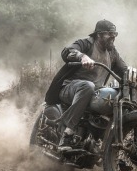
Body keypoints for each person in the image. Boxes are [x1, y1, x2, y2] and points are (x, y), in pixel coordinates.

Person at [45, 19, 127, 151]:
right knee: (88, 86)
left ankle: (107, 146)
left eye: (114, 34)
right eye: (109, 33)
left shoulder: (112, 53)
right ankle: (67, 133)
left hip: (94, 92)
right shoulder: (86, 44)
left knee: (116, 96)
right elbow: (67, 51)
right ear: (98, 35)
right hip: (70, 88)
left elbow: (124, 70)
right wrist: (82, 57)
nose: (113, 37)